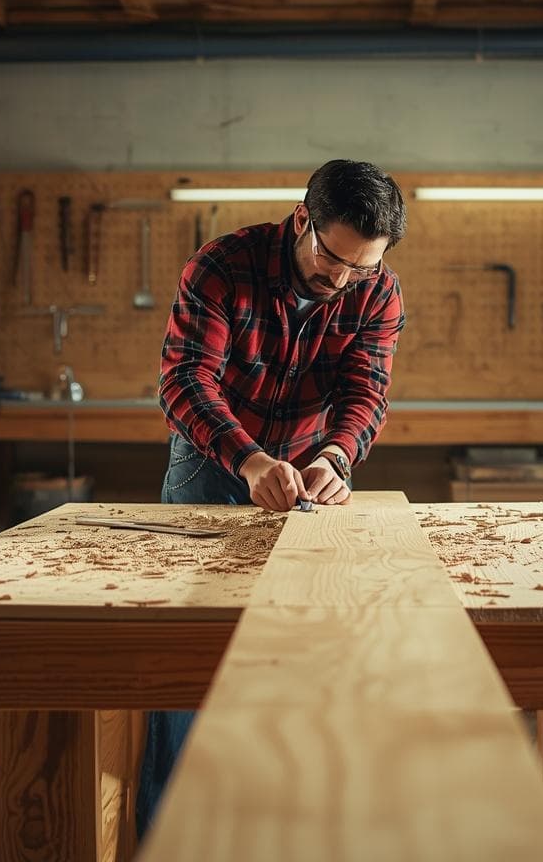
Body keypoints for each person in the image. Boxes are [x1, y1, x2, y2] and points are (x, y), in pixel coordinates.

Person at [136, 159, 407, 835]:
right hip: (216, 457)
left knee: (308, 644)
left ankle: (288, 824)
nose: (340, 280)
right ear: (301, 221)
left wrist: (339, 457)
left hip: (312, 466)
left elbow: (365, 392)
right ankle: (169, 831)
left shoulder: (378, 293)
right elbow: (185, 385)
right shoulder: (223, 266)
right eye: (332, 259)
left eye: (360, 268)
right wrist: (249, 459)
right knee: (191, 652)